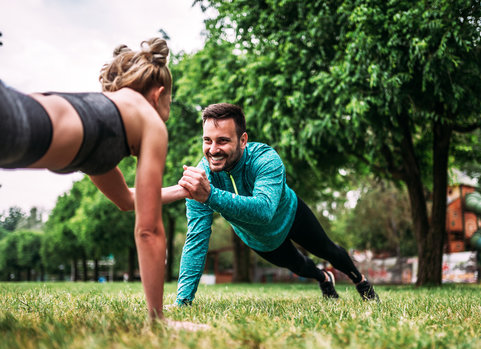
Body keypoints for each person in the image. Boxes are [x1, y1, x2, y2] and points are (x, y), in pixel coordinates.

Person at [0, 38, 208, 330]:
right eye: (169, 105)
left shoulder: (99, 128)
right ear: (158, 95)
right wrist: (158, 319)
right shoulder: (150, 121)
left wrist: (182, 190)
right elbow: (148, 230)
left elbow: (125, 199)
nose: (167, 115)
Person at [174, 103, 379, 306]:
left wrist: (210, 195)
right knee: (300, 266)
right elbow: (196, 238)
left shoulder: (264, 158)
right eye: (207, 140)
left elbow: (264, 210)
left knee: (329, 250)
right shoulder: (202, 178)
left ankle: (361, 282)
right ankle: (324, 278)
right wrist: (183, 301)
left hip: (291, 215)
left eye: (223, 141)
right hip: (260, 239)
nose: (213, 149)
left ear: (243, 140)